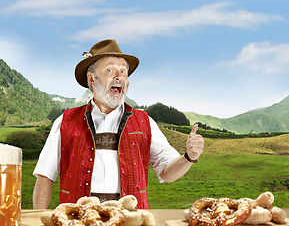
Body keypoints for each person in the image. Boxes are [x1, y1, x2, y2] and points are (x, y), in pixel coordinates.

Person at [32, 39, 204, 209]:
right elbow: (45, 177)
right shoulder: (65, 121)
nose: (119, 77)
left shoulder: (144, 122)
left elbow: (167, 173)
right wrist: (37, 219)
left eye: (123, 71)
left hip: (132, 221)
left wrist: (189, 157)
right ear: (91, 78)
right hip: (78, 220)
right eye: (110, 70)